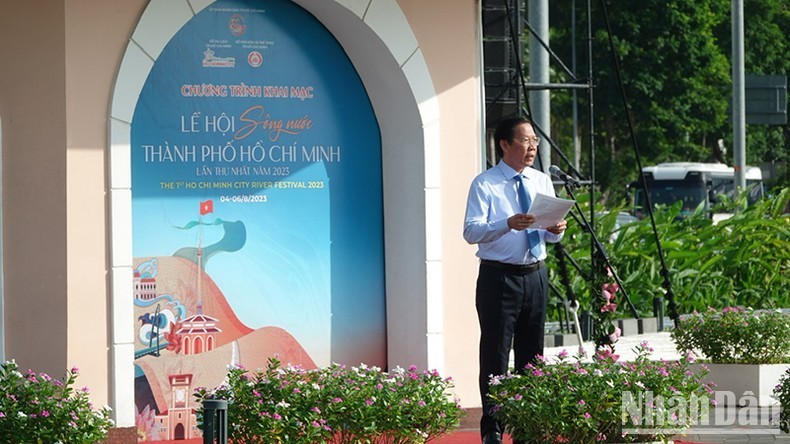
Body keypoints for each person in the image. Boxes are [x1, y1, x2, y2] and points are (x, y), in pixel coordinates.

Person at [463, 116, 567, 444]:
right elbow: (471, 232)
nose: (533, 147)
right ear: (505, 144)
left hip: (535, 276)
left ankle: (527, 427)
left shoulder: (540, 181)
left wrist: (555, 230)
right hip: (499, 278)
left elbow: (549, 238)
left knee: (532, 355)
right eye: (525, 141)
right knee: (495, 354)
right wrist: (506, 223)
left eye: (535, 141)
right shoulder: (485, 184)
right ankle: (493, 429)